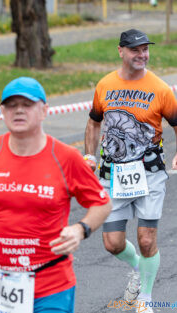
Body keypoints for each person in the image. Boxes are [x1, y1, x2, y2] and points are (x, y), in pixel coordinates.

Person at [0, 76, 112, 313]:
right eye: (11, 105)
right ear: (2, 111)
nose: (18, 110)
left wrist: (81, 229)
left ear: (44, 111)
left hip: (51, 286)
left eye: (27, 105)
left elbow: (101, 203)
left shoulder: (65, 157)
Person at [84, 29, 177, 312]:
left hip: (149, 173)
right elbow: (94, 123)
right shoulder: (105, 85)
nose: (142, 55)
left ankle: (145, 300)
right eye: (135, 50)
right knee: (112, 243)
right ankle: (139, 267)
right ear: (121, 51)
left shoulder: (160, 88)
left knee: (146, 238)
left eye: (145, 50)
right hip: (113, 175)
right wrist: (89, 155)